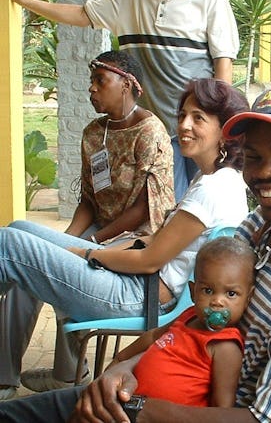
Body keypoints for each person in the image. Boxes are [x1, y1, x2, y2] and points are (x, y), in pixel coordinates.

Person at [0, 82, 271, 423]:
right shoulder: (255, 228)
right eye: (255, 157)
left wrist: (141, 408)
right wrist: (125, 367)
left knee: (9, 248)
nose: (266, 171)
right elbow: (191, 321)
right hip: (151, 383)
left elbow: (266, 418)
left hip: (168, 399)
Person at [0, 78, 249, 402]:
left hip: (138, 294)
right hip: (139, 282)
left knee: (9, 246)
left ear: (225, 131)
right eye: (183, 115)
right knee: (21, 229)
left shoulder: (213, 189)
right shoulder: (215, 179)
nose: (185, 125)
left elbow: (150, 260)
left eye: (198, 118)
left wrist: (89, 253)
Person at [0, 0, 240, 200]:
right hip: (157, 131)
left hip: (199, 127)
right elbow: (81, 14)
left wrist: (222, 122)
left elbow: (223, 63)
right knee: (170, 207)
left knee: (209, 201)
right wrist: (25, 1)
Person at [0, 50, 175, 400]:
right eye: (91, 82)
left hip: (133, 240)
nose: (92, 90)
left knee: (45, 262)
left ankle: (66, 376)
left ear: (127, 84)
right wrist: (64, 240)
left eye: (101, 82)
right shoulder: (94, 132)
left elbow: (143, 210)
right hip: (99, 228)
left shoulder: (150, 132)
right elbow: (88, 201)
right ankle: (6, 376)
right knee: (24, 244)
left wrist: (89, 240)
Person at [114, 237, 256, 408]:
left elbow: (222, 406)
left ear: (247, 299)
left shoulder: (225, 346)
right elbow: (153, 336)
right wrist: (120, 359)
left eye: (231, 294)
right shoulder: (188, 316)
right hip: (129, 405)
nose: (217, 301)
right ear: (193, 292)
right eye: (208, 290)